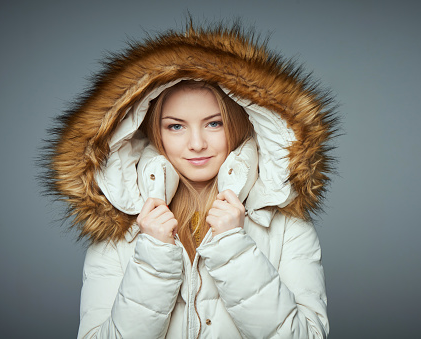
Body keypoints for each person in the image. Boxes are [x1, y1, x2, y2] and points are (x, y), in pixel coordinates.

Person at [44, 22, 337, 339]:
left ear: (238, 124)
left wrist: (233, 246)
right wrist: (153, 254)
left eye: (214, 123)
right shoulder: (120, 234)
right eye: (176, 126)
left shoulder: (287, 230)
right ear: (154, 131)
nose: (196, 143)